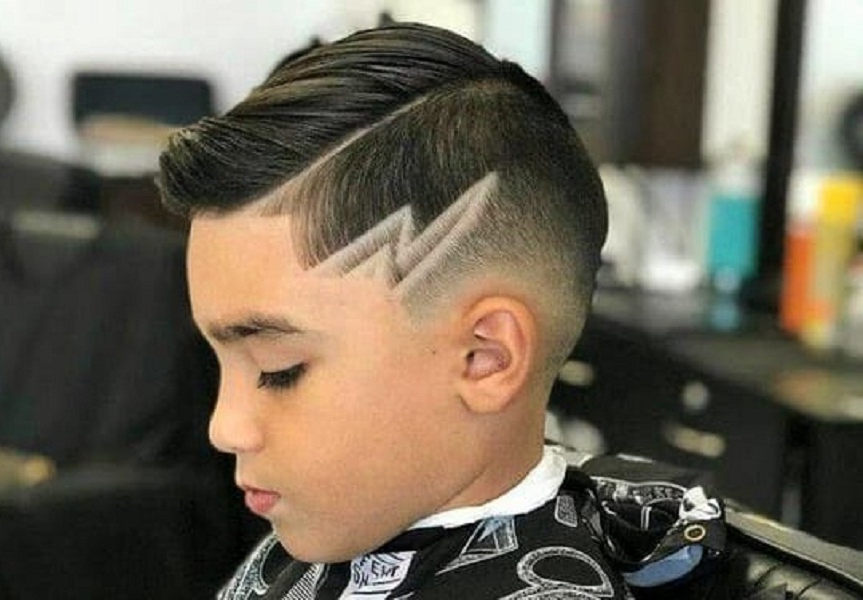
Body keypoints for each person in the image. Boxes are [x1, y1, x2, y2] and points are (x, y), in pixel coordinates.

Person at [157, 22, 723, 599]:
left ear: (485, 358)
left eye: (279, 370)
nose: (224, 427)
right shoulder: (324, 537)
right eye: (220, 361)